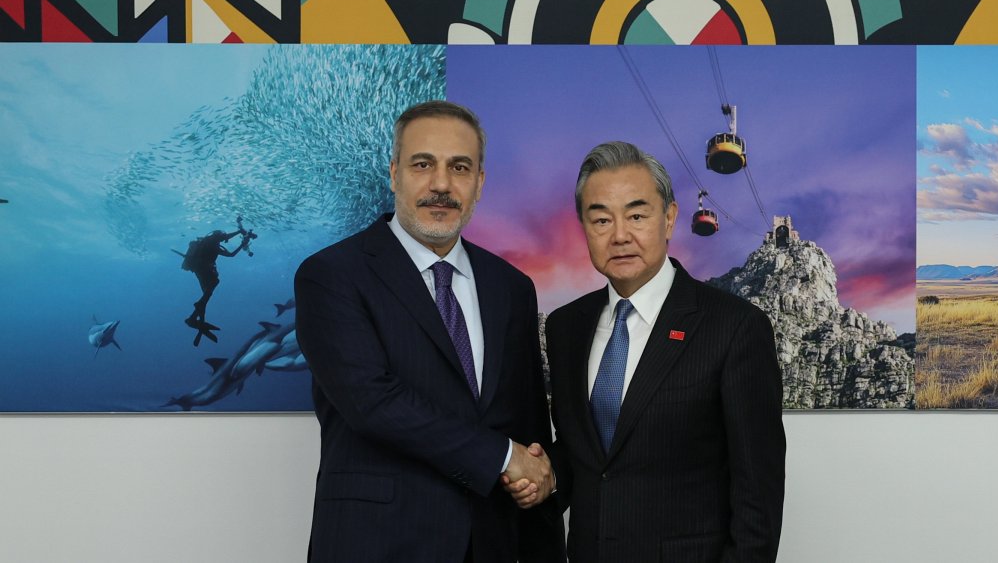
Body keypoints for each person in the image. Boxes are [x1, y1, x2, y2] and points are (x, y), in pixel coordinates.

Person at [294, 100, 564, 563]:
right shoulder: (331, 275)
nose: (441, 184)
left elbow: (529, 427)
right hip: (377, 544)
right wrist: (502, 457)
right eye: (423, 164)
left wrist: (544, 544)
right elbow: (372, 403)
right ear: (395, 172)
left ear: (479, 183)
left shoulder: (512, 287)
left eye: (460, 167)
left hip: (491, 543)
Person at [509, 140, 785, 563]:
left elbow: (757, 499)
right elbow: (590, 455)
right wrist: (545, 476)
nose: (620, 235)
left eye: (637, 215)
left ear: (670, 218)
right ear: (584, 227)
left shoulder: (734, 327)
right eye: (601, 220)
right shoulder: (566, 328)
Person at [180, 220, 255, 345]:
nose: (224, 239)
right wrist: (243, 244)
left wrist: (239, 231)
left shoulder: (205, 241)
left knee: (207, 292)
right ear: (218, 238)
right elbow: (231, 255)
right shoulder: (214, 245)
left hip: (197, 269)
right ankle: (197, 310)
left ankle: (195, 316)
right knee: (213, 284)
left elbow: (226, 236)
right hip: (205, 269)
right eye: (222, 238)